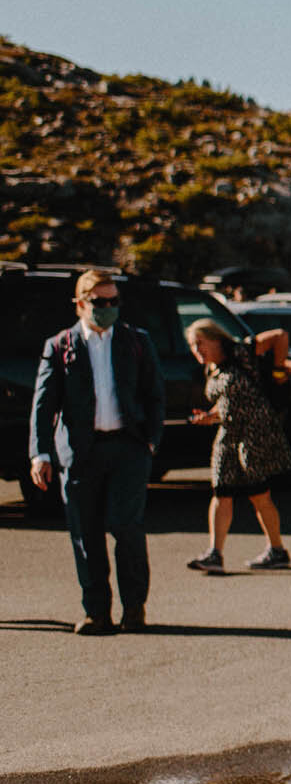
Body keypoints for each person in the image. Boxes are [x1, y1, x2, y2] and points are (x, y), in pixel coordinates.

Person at [28, 269, 164, 634]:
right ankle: (96, 612)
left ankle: (134, 608)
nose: (107, 308)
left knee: (126, 527)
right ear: (79, 304)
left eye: (113, 302)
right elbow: (43, 406)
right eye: (99, 302)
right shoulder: (59, 346)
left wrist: (151, 439)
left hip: (128, 448)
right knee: (85, 533)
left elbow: (155, 394)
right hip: (80, 453)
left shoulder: (136, 341)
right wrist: (39, 454)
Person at [182, 319, 291, 573]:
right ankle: (214, 553)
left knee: (259, 494)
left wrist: (277, 372)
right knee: (221, 492)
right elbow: (227, 402)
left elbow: (280, 335)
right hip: (228, 434)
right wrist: (210, 416)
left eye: (201, 343)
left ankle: (277, 550)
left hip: (253, 433)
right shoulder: (212, 368)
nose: (197, 350)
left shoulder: (241, 352)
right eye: (192, 346)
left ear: (216, 339)